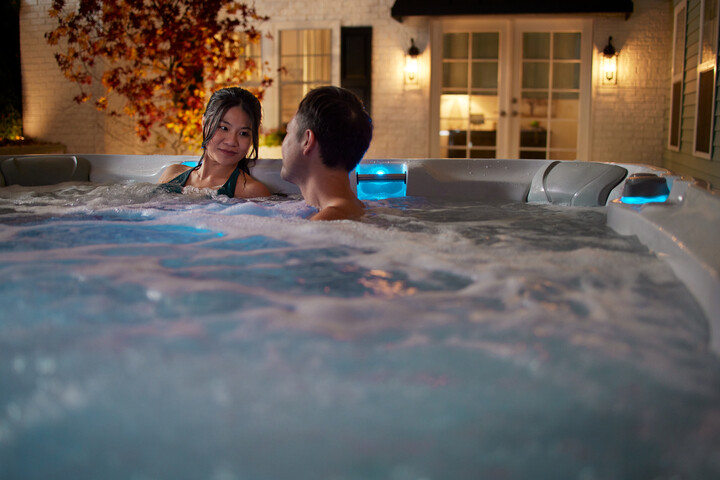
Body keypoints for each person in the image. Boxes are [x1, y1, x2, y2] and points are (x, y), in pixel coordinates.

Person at [158, 87, 270, 198]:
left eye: (243, 133)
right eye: (224, 128)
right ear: (204, 123)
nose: (231, 141)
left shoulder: (252, 192)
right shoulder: (172, 174)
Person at [281, 86, 373, 221]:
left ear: (307, 141)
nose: (284, 143)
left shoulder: (324, 224)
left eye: (288, 132)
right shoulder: (356, 210)